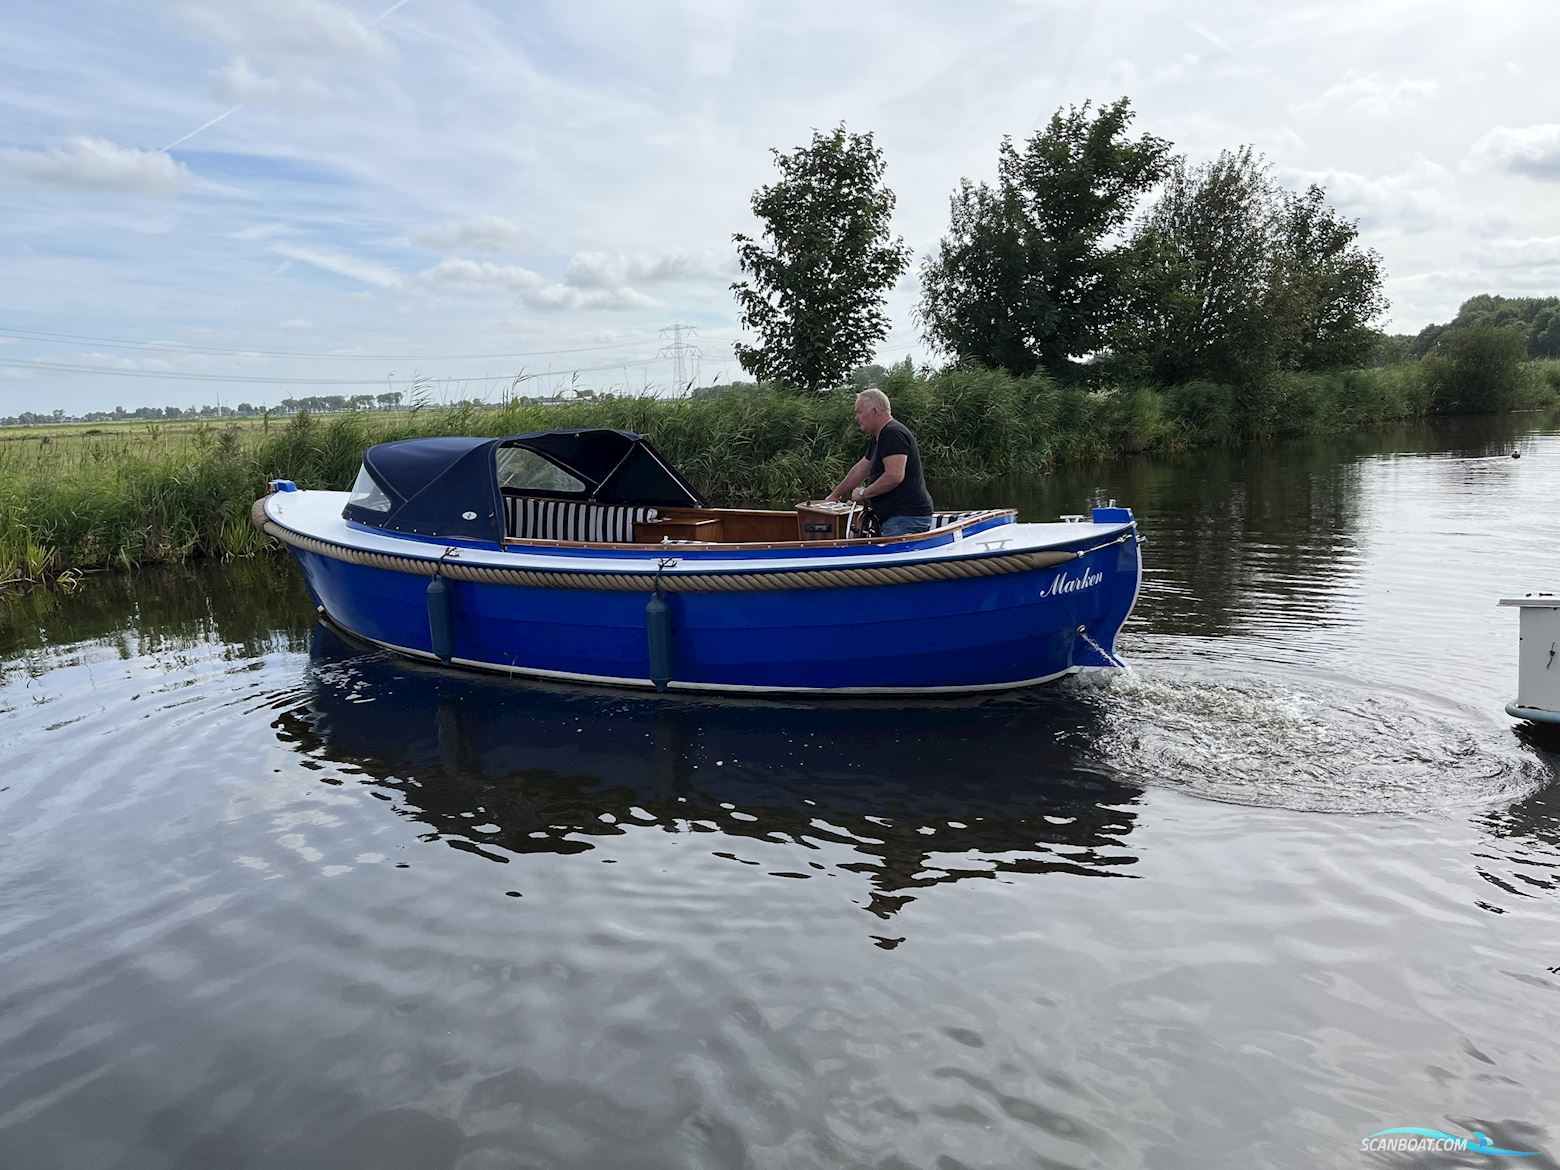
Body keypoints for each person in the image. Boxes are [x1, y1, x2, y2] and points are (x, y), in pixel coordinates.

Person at [823, 388, 934, 536]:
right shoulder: (879, 437)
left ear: (875, 411)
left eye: (860, 412)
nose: (857, 418)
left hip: (904, 519)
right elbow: (862, 468)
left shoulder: (892, 434)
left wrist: (863, 493)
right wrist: (835, 495)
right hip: (898, 518)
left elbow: (894, 476)